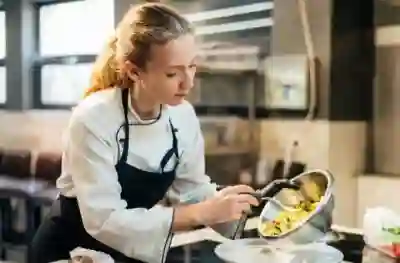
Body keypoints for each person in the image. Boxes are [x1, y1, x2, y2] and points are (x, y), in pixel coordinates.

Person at [30, 3, 295, 263]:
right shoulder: (93, 118)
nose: (188, 83)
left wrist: (234, 204)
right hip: (72, 251)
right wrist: (200, 213)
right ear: (135, 72)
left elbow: (191, 191)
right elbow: (105, 220)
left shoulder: (182, 116)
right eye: (172, 73)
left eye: (192, 66)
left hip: (129, 250)